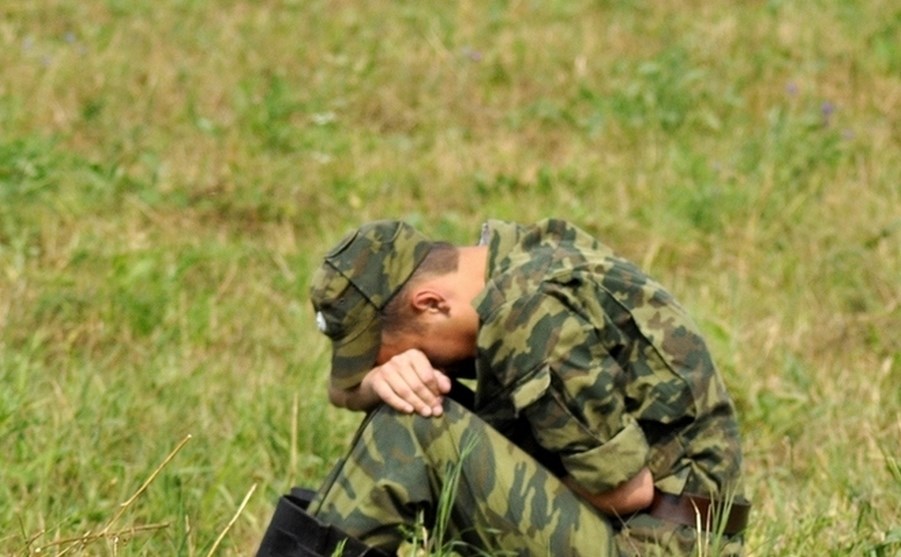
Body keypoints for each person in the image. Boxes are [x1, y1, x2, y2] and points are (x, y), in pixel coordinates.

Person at [257, 218, 750, 557]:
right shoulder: (518, 259)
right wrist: (375, 383)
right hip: (653, 534)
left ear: (429, 303)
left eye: (410, 354)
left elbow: (627, 491)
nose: (416, 367)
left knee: (415, 426)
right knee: (419, 414)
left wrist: (466, 462)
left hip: (651, 544)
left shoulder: (526, 314)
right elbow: (344, 390)